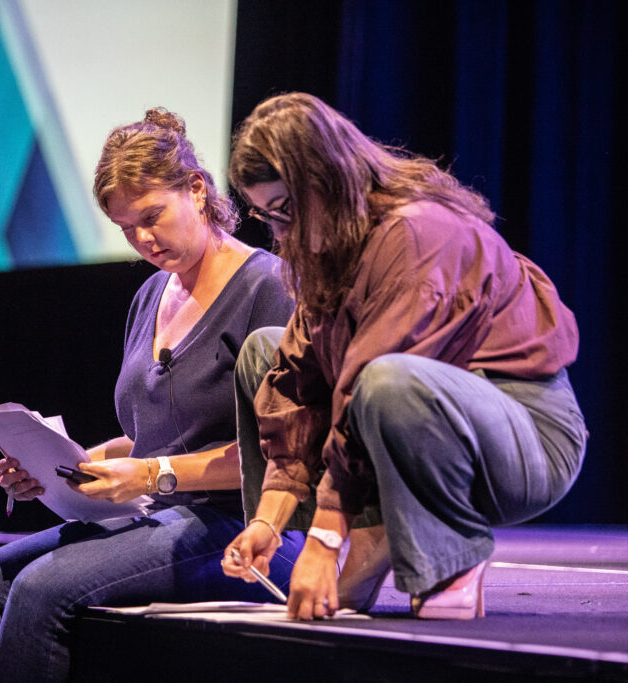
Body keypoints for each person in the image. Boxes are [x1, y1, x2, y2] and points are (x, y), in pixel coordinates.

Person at [0, 109, 303, 682]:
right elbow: (151, 438)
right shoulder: (150, 296)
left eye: (152, 216)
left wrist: (149, 475)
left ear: (196, 190)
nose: (142, 238)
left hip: (245, 529)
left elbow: (279, 458)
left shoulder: (269, 287)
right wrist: (67, 466)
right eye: (125, 227)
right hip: (156, 517)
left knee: (41, 590)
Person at [221, 92, 587, 621]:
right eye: (266, 215)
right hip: (410, 429)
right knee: (265, 351)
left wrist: (328, 533)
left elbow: (368, 379)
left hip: (521, 437)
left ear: (329, 180)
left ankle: (444, 556)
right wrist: (269, 519)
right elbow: (299, 387)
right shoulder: (329, 248)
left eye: (285, 210)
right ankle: (321, 548)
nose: (278, 231)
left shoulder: (417, 233)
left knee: (386, 379)